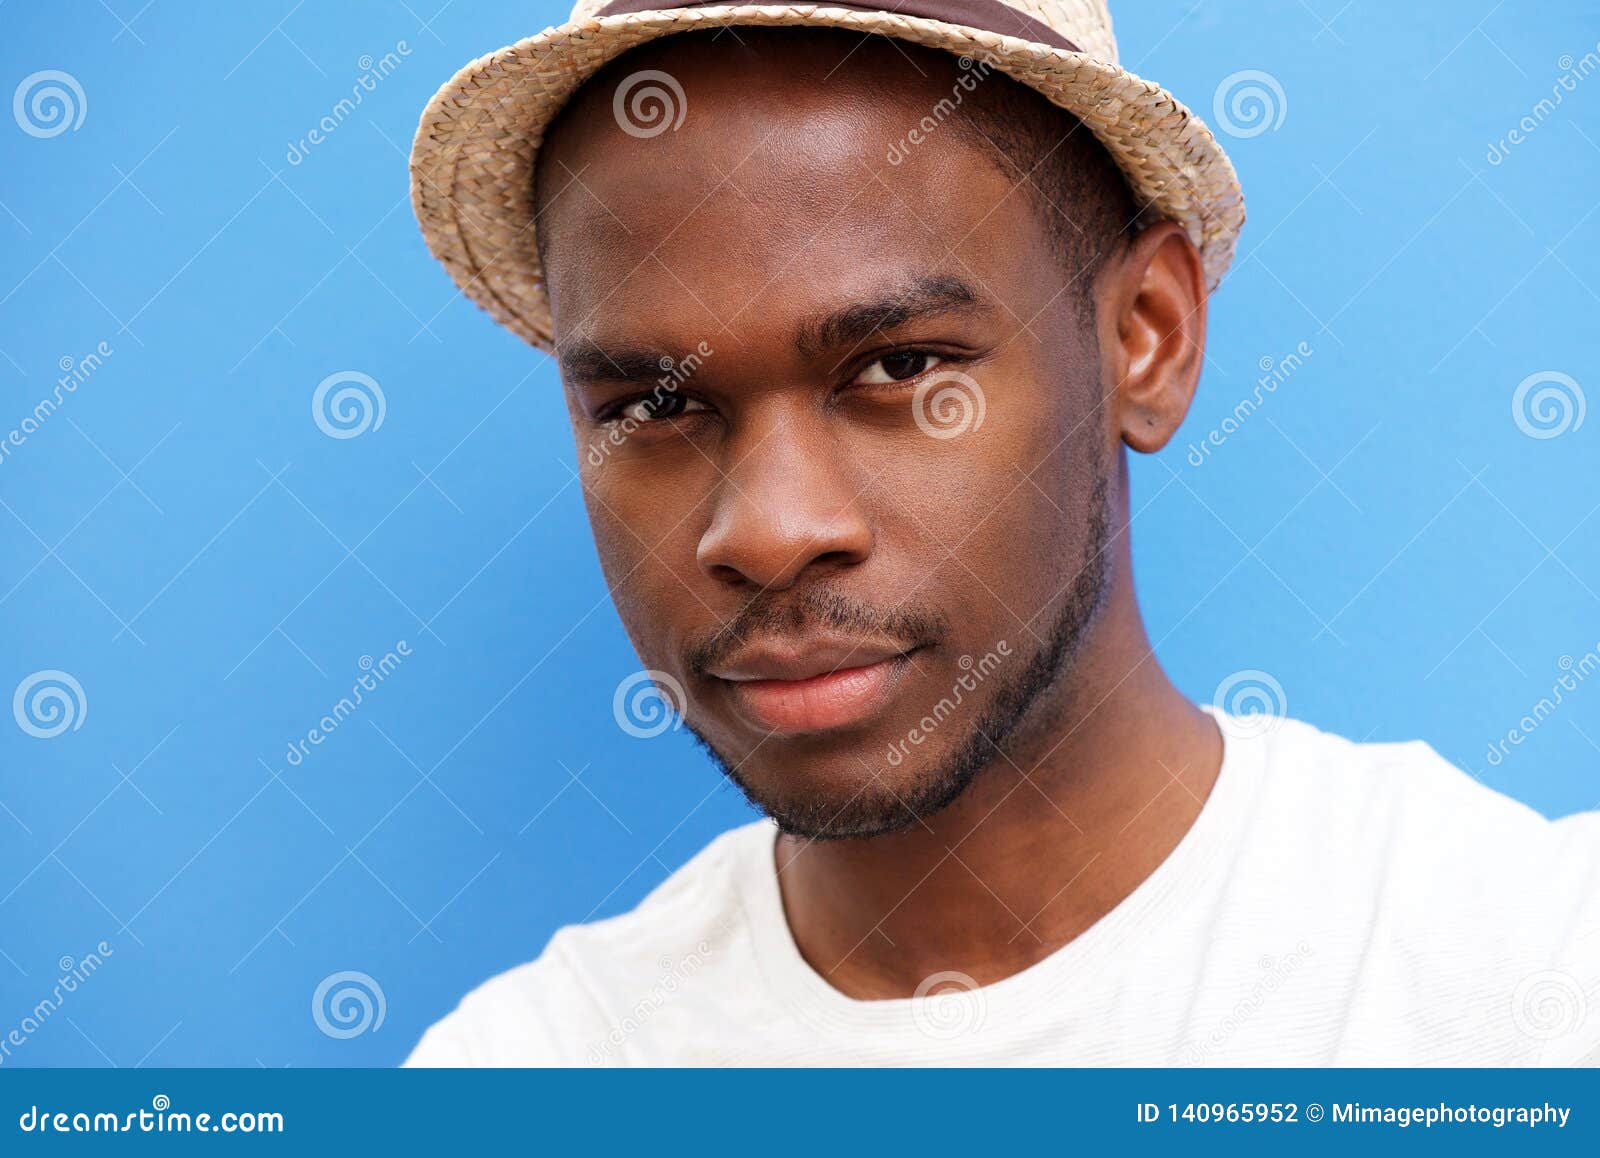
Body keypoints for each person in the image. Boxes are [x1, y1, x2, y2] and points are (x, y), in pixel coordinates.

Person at [403, 0, 1599, 1065]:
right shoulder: (529, 1076)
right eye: (653, 405)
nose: (769, 532)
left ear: (1146, 336)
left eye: (900, 366)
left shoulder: (1529, 984)